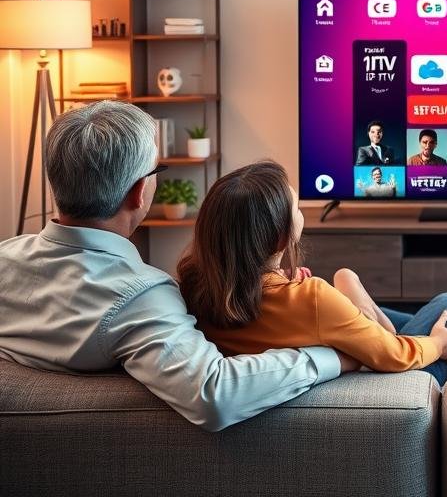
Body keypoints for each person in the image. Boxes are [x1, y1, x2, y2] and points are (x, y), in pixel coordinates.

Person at [0, 101, 346, 432]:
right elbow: (215, 394)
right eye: (156, 171)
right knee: (395, 321)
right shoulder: (140, 297)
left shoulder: (5, 258)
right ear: (138, 192)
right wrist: (332, 357)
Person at [178, 160, 447, 385]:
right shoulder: (311, 298)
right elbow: (394, 355)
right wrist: (437, 344)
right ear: (279, 238)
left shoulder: (194, 286)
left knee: (353, 284)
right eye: (297, 208)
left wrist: (281, 281)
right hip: (388, 384)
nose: (300, 214)